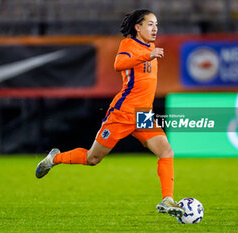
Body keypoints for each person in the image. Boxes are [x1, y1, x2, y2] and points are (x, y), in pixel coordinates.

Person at [35, 9, 184, 218]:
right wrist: (147, 55)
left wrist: (149, 52)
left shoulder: (150, 47)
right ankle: (54, 158)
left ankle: (167, 200)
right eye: (150, 24)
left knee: (166, 152)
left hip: (143, 114)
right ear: (137, 27)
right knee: (92, 158)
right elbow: (118, 64)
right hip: (122, 113)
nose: (155, 28)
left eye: (156, 24)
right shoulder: (129, 45)